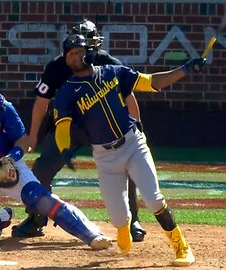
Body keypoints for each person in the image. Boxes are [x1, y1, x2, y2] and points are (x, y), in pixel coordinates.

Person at [53, 33, 203, 266]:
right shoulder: (66, 92)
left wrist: (185, 68)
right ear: (66, 60)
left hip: (133, 144)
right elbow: (62, 126)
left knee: (154, 200)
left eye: (80, 50)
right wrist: (64, 149)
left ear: (89, 51)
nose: (77, 55)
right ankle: (123, 226)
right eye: (71, 53)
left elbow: (152, 82)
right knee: (118, 217)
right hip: (104, 156)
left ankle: (181, 246)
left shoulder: (112, 72)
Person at [0, 55, 112, 250]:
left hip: (9, 167)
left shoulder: (1, 106)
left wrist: (6, 162)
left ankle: (92, 234)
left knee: (38, 197)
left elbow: (23, 141)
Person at [12, 19, 147, 242]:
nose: (83, 51)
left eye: (90, 42)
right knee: (42, 170)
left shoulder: (106, 61)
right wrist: (33, 133)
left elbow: (127, 93)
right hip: (70, 127)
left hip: (107, 126)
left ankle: (132, 220)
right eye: (75, 49)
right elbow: (42, 101)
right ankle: (36, 218)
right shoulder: (58, 66)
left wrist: (137, 124)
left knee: (128, 167)